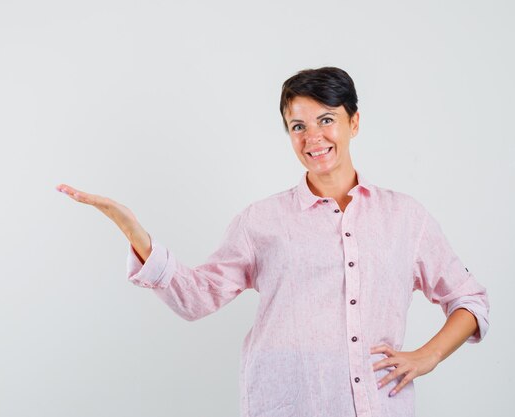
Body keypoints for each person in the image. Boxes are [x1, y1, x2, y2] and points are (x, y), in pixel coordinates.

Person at [56, 67, 489, 417]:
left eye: (326, 120)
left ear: (353, 122)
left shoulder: (405, 217)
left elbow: (469, 300)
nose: (312, 138)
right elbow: (196, 299)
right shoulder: (260, 221)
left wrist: (427, 356)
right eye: (297, 126)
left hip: (379, 406)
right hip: (289, 404)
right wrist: (137, 234)